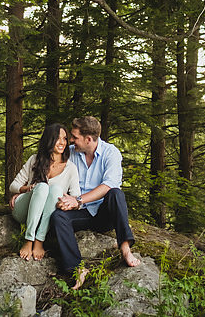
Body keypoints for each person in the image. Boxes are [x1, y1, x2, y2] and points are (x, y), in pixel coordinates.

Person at [50, 115, 140, 288]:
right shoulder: (71, 153)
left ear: (88, 139)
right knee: (57, 217)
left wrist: (78, 200)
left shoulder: (111, 153)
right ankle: (77, 269)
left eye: (75, 137)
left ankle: (125, 248)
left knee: (116, 193)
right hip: (79, 212)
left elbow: (108, 185)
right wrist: (25, 189)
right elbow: (49, 170)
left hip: (102, 214)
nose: (71, 140)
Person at [8, 122, 80, 260]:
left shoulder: (71, 168)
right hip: (24, 211)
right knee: (41, 187)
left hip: (47, 214)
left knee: (56, 189)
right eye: (57, 138)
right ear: (48, 140)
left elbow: (75, 198)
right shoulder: (35, 159)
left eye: (65, 138)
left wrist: (64, 203)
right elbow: (13, 185)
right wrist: (27, 189)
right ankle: (29, 240)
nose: (62, 142)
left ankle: (39, 241)